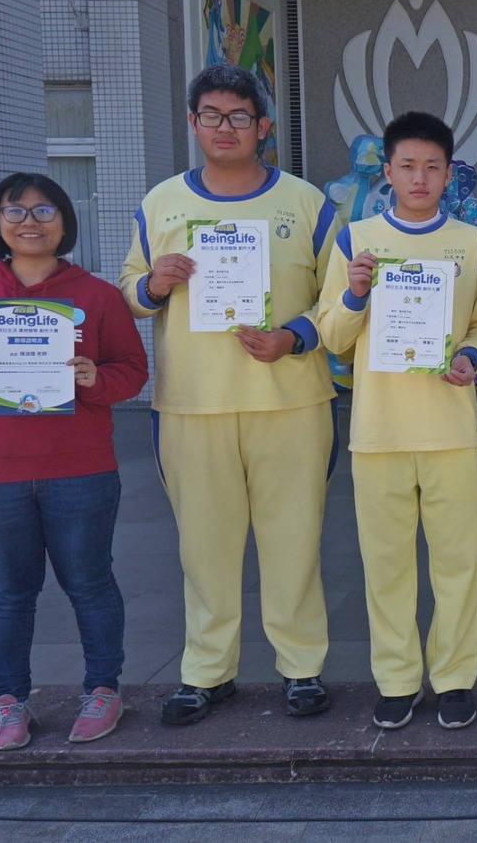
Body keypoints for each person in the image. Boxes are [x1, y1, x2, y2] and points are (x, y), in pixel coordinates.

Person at [120, 64, 340, 725]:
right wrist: (154, 284)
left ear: (262, 126)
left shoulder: (305, 203)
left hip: (291, 401)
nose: (225, 127)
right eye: (211, 115)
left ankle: (301, 667)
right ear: (193, 123)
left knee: (294, 542)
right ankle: (206, 672)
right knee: (203, 548)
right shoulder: (161, 203)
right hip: (193, 403)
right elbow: (128, 293)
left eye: (239, 116)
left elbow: (340, 300)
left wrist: (295, 337)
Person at [0, 174, 147, 749]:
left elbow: (132, 370)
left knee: (90, 584)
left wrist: (95, 378)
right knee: (8, 593)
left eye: (44, 210)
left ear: (65, 221)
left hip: (81, 469)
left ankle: (104, 690)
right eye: (15, 211)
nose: (29, 221)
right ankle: (9, 701)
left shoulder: (95, 296)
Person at [317, 111, 477, 731]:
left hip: (451, 430)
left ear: (449, 174)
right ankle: (396, 680)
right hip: (379, 431)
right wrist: (354, 295)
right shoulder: (356, 241)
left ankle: (454, 679)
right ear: (388, 172)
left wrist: (471, 356)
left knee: (457, 565)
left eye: (432, 167)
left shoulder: (473, 243)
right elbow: (333, 337)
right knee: (386, 566)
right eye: (407, 166)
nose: (419, 178)